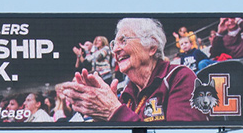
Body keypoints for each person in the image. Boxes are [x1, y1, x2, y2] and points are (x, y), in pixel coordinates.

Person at [60, 17, 206, 123]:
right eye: (113, 44)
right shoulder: (126, 94)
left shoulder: (179, 77)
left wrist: (114, 112)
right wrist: (99, 114)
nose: (115, 50)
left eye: (123, 40)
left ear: (151, 47)